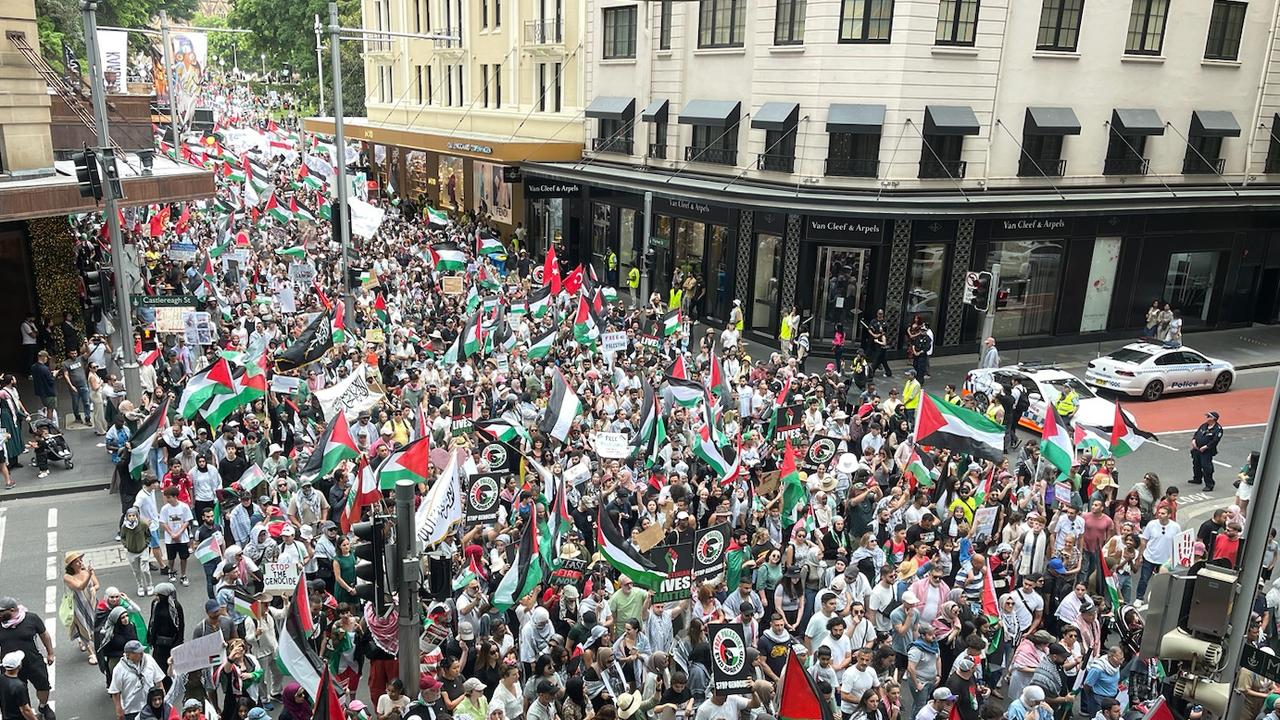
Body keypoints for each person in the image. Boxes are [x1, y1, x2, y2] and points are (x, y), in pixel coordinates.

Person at [0, 599, 54, 720]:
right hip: (10, 667)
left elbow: (44, 634)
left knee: (43, 686)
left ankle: (43, 706)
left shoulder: (31, 618)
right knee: (16, 692)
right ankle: (26, 712)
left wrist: (50, 653)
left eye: (1, 612)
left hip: (33, 661)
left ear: (12, 610)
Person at [108, 640, 165, 720]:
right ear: (128, 655)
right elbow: (115, 691)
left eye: (142, 650)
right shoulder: (119, 669)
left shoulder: (149, 660)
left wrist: (164, 700)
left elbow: (158, 681)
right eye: (138, 652)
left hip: (151, 706)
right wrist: (118, 709)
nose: (142, 653)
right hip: (131, 711)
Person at [1190, 411, 1223, 491]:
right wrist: (1194, 440)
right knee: (1196, 464)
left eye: (1209, 417)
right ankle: (1197, 478)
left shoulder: (1218, 429)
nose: (1207, 418)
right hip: (1197, 449)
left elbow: (1215, 441)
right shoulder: (1204, 425)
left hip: (1206, 451)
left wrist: (1206, 447)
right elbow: (1197, 433)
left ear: (1214, 419)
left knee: (1206, 467)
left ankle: (1209, 484)